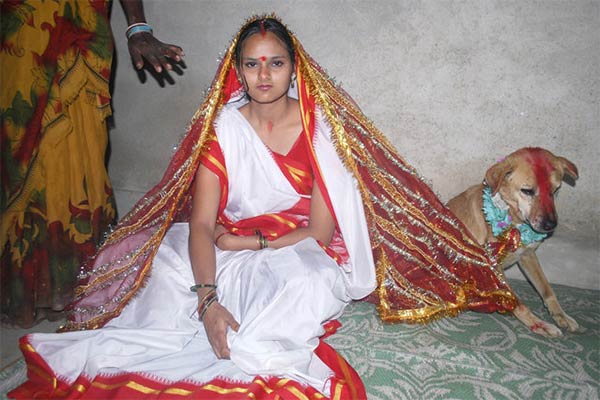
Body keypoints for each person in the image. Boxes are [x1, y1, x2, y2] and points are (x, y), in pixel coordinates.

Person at [8, 15, 517, 399]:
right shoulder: (225, 128)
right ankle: (206, 318)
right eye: (252, 64)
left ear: (295, 69)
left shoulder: (321, 130)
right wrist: (207, 302)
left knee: (308, 285)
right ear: (238, 71)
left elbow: (319, 232)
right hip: (224, 240)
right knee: (157, 272)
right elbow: (203, 224)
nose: (264, 75)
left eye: (276, 63)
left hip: (292, 244)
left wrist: (254, 243)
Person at [1, 0, 184, 327]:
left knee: (81, 157)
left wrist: (138, 26)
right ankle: (19, 288)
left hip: (82, 40)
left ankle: (76, 284)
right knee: (17, 157)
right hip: (18, 37)